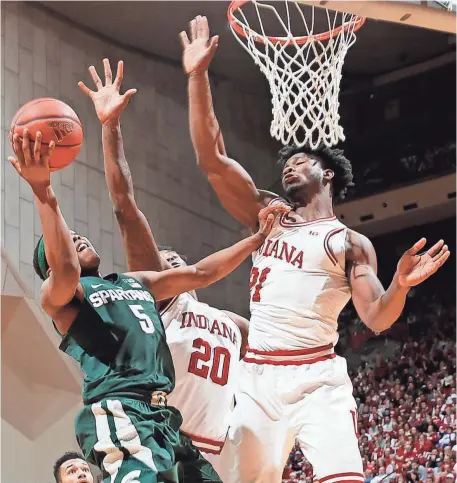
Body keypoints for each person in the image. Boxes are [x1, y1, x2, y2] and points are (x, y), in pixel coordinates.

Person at [179, 14, 451, 483]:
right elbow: (212, 159)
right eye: (286, 163)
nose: (289, 167)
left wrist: (402, 285)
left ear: (327, 174)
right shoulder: (268, 215)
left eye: (301, 161)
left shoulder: (349, 243)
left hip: (318, 378)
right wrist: (197, 75)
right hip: (259, 377)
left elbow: (377, 318)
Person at [9, 128, 286, 482]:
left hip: (163, 416)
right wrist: (43, 192)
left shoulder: (136, 282)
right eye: (68, 240)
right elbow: (65, 266)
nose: (78, 237)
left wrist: (259, 238)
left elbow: (201, 273)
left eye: (78, 234)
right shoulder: (62, 298)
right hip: (120, 409)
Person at [78, 58, 252, 480]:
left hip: (217, 451)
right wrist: (110, 127)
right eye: (162, 259)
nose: (166, 259)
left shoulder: (234, 324)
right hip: (164, 441)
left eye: (175, 257)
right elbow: (126, 210)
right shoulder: (159, 299)